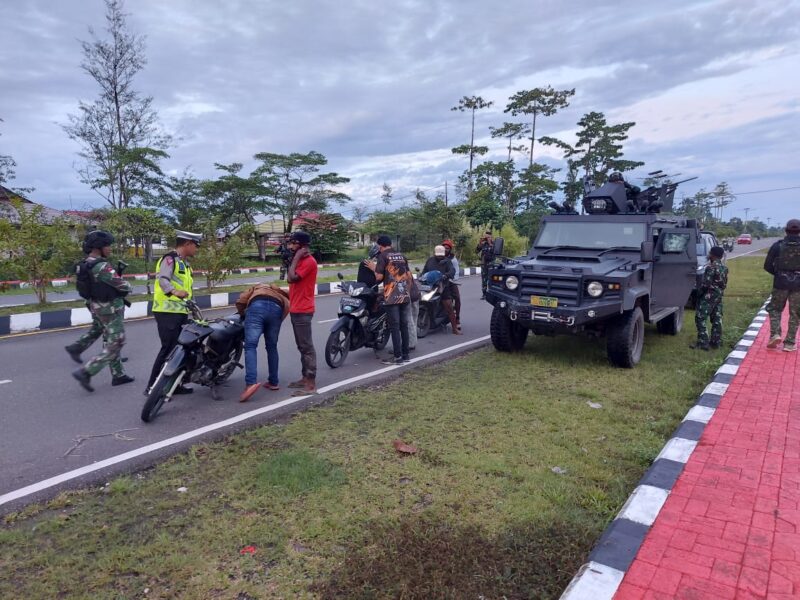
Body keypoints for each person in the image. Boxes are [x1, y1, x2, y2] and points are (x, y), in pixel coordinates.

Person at [68, 230, 134, 392]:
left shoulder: (85, 263)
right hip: (110, 308)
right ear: (99, 247)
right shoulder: (101, 266)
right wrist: (126, 285)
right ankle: (87, 371)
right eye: (107, 245)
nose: (109, 248)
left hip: (96, 305)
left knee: (109, 338)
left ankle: (118, 374)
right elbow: (123, 286)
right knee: (117, 342)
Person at [145, 230, 202, 396]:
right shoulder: (169, 259)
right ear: (187, 244)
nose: (196, 249)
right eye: (195, 246)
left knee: (180, 349)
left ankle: (174, 385)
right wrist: (174, 291)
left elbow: (188, 290)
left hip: (180, 312)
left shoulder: (184, 264)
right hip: (166, 311)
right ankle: (152, 386)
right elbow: (163, 279)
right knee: (168, 348)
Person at [236, 282, 290, 402]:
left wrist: (243, 314)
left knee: (250, 346)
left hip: (256, 307)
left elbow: (241, 301)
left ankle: (251, 384)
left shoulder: (255, 288)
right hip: (277, 309)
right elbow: (286, 306)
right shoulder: (278, 291)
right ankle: (273, 382)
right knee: (272, 346)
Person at [367, 235, 412, 364]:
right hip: (404, 295)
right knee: (404, 326)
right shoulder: (401, 256)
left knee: (394, 327)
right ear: (390, 244)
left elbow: (379, 276)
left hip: (391, 297)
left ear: (380, 246)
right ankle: (406, 355)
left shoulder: (383, 256)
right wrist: (406, 292)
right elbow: (408, 276)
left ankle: (397, 357)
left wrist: (373, 268)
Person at [286, 231, 318, 394]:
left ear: (302, 246)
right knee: (301, 346)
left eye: (293, 243)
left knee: (306, 347)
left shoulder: (309, 262)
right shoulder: (300, 261)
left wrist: (296, 257)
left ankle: (311, 384)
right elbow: (288, 278)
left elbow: (292, 278)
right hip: (295, 308)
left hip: (303, 309)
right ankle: (305, 377)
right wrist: (295, 258)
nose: (290, 246)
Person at [764, 219, 800, 352]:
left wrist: (779, 274)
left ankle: (775, 334)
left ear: (786, 230)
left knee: (775, 309)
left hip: (780, 283)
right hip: (798, 285)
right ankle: (790, 343)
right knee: (795, 313)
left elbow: (767, 265)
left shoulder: (777, 246)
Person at [691, 246, 728, 351]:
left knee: (700, 317)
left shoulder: (711, 268)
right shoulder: (724, 268)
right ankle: (716, 342)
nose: (709, 254)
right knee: (717, 318)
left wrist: (698, 293)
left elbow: (706, 284)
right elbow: (724, 284)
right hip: (719, 296)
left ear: (713, 255)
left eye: (710, 253)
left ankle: (703, 342)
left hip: (708, 296)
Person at [422, 245, 461, 335]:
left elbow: (452, 271)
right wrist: (422, 276)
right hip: (429, 286)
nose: (439, 256)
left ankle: (455, 329)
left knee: (449, 307)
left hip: (442, 286)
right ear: (434, 253)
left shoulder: (447, 261)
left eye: (441, 254)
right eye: (438, 254)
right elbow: (424, 271)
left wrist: (446, 275)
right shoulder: (430, 260)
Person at [442, 239, 461, 325]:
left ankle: (457, 318)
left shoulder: (453, 259)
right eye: (444, 247)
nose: (445, 249)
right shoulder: (438, 257)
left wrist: (452, 280)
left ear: (450, 249)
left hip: (450, 281)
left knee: (457, 297)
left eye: (447, 248)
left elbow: (456, 271)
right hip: (440, 281)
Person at [476, 231, 494, 299]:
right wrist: (480, 243)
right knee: (484, 280)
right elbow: (476, 251)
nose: (486, 239)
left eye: (488, 237)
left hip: (492, 264)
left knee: (492, 279)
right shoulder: (483, 244)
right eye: (486, 237)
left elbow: (495, 252)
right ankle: (484, 294)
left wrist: (490, 243)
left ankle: (492, 293)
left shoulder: (494, 244)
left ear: (491, 237)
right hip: (484, 265)